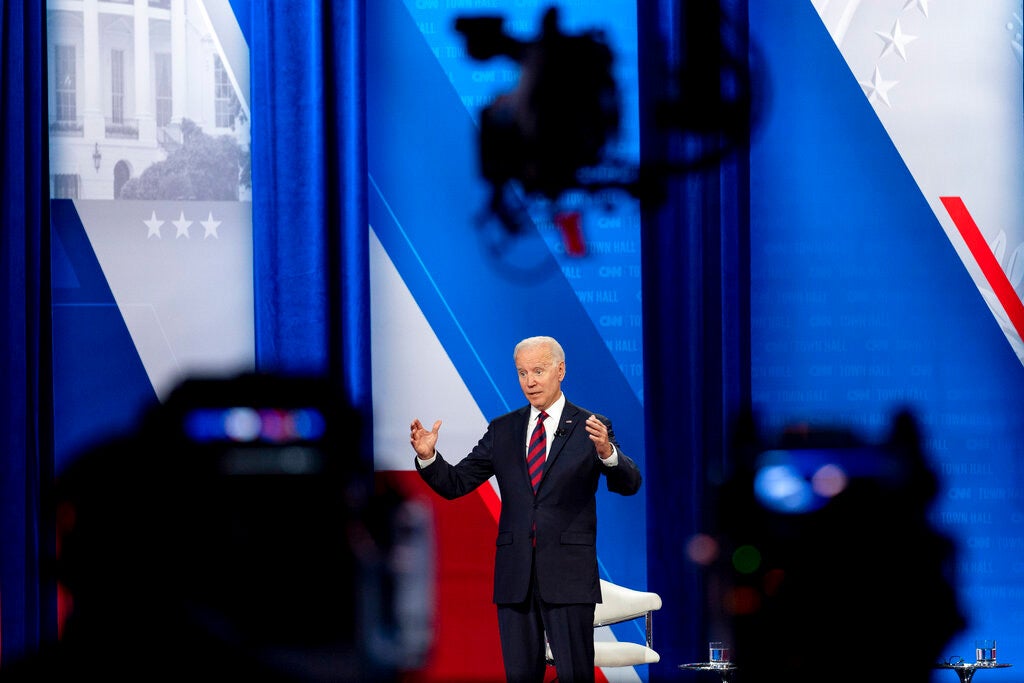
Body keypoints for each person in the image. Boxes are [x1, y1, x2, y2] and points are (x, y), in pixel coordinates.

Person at [410, 335, 642, 683]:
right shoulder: (503, 429)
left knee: (576, 675)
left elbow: (629, 483)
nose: (530, 381)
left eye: (538, 371)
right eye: (522, 373)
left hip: (568, 576)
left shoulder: (592, 427)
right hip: (515, 576)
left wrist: (608, 453)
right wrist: (429, 457)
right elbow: (456, 483)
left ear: (560, 370)